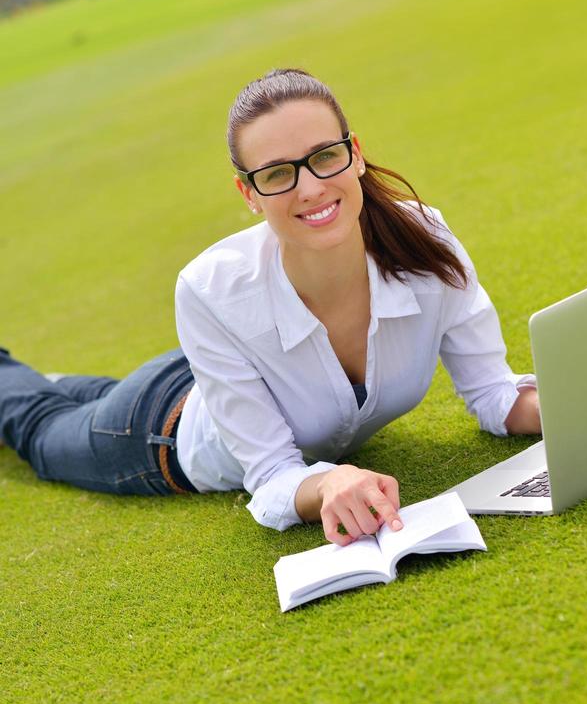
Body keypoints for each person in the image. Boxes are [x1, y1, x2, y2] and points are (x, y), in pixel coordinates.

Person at [0, 69, 540, 546]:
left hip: (217, 383)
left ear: (354, 153)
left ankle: (53, 380)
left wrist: (564, 401)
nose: (309, 188)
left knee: (73, 397)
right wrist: (328, 481)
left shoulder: (425, 238)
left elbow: (494, 394)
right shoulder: (208, 289)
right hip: (158, 428)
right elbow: (272, 475)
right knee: (40, 426)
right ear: (248, 193)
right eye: (278, 173)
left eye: (325, 157)